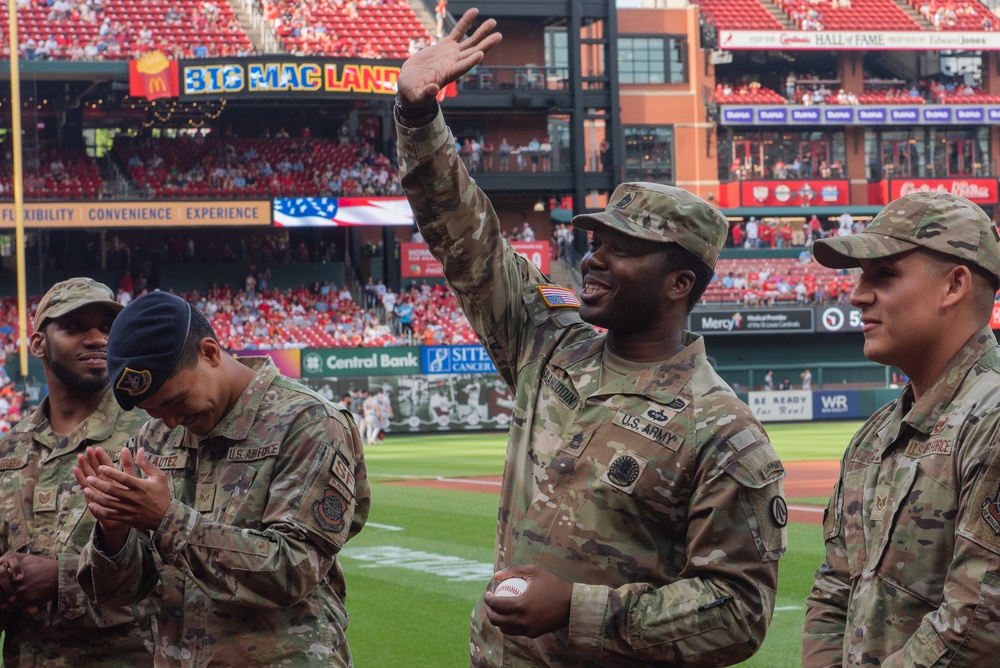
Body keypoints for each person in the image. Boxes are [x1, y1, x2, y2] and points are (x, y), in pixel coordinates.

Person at [394, 10, 787, 666]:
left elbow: (739, 612)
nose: (594, 259)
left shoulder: (721, 430)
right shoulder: (548, 347)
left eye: (624, 250)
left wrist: (581, 611)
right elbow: (467, 241)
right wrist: (417, 115)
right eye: (595, 242)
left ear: (678, 283)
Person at [73, 291, 369, 666]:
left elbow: (294, 568)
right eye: (154, 410)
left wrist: (167, 520)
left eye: (175, 400)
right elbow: (121, 595)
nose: (171, 420)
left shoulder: (309, 423)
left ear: (210, 353)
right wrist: (114, 534)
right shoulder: (154, 439)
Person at [802, 191, 1000, 665]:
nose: (856, 294)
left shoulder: (992, 419)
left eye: (884, 274)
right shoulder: (875, 435)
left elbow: (976, 626)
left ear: (954, 286)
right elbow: (832, 592)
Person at [0, 278, 155, 665]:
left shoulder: (154, 435)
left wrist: (63, 579)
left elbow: (189, 572)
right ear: (38, 344)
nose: (97, 339)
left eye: (107, 328)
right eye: (74, 327)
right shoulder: (9, 448)